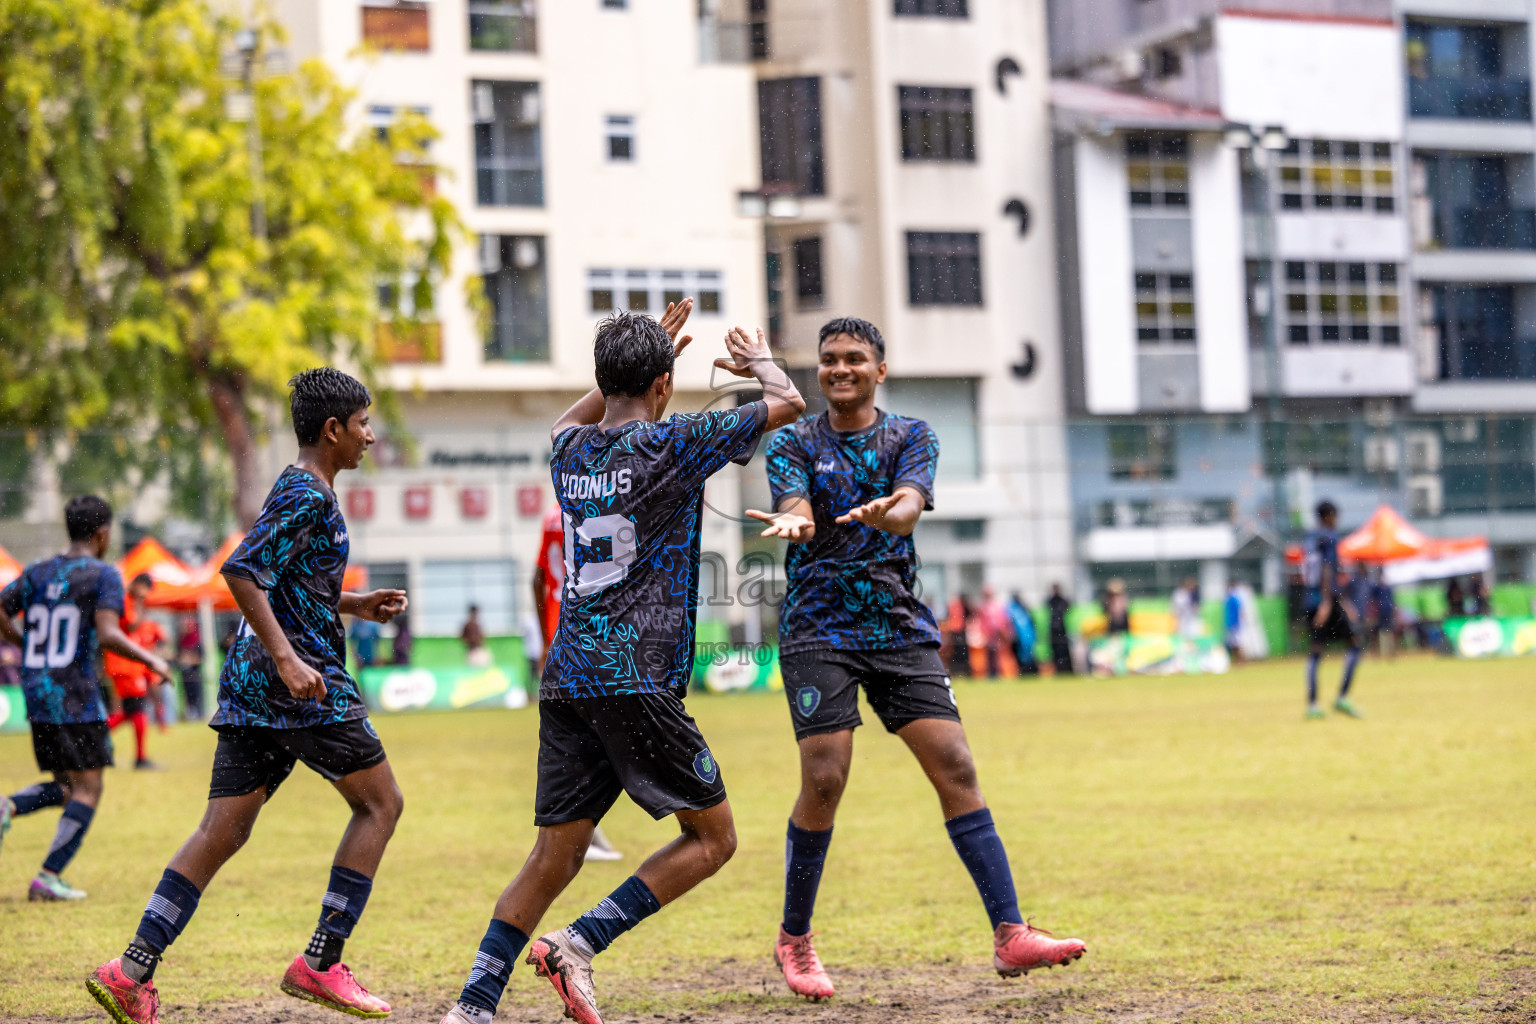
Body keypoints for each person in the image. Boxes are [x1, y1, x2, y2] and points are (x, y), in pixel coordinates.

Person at [437, 301, 803, 1024]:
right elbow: (787, 400)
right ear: (664, 387)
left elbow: (566, 420)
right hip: (636, 678)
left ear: (604, 381)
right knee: (714, 837)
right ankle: (578, 942)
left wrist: (634, 363)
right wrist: (758, 357)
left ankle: (472, 1008)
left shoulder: (570, 451)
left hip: (569, 675)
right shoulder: (678, 444)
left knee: (554, 855)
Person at [748, 316, 1085, 1003]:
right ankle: (795, 938)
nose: (840, 369)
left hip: (898, 627)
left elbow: (908, 506)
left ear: (880, 369)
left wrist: (891, 513)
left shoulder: (912, 435)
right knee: (824, 779)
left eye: (854, 359)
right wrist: (797, 518)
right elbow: (795, 504)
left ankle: (1010, 934)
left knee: (956, 765)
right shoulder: (792, 441)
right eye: (829, 360)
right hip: (819, 630)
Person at [87, 369, 410, 1023]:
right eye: (364, 425)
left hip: (252, 686)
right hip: (297, 683)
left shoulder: (302, 488)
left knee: (221, 831)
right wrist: (291, 661)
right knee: (381, 804)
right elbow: (241, 569)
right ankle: (321, 963)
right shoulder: (309, 493)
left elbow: (286, 581)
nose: (369, 437)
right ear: (333, 430)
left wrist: (353, 604)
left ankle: (131, 970)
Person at [0, 496, 170, 901]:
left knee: (65, 786)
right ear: (102, 533)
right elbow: (110, 634)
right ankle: (48, 877)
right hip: (75, 692)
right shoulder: (102, 575)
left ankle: (8, 806)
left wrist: (26, 645)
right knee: (88, 788)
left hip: (38, 693)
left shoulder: (38, 571)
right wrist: (153, 661)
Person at [529, 510, 623, 862]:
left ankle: (579, 830)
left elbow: (537, 577)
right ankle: (581, 830)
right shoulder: (597, 505)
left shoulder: (553, 517)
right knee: (597, 733)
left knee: (574, 732)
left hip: (559, 632)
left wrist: (543, 640)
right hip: (589, 630)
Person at [1301, 500, 1364, 720]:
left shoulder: (1309, 540)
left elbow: (1308, 573)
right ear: (1328, 516)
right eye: (1335, 516)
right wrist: (1329, 603)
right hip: (1326, 601)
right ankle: (1342, 697)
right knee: (1355, 644)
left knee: (1315, 652)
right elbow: (1328, 570)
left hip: (1310, 599)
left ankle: (1313, 704)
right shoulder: (1329, 538)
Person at [105, 573, 167, 770]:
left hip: (129, 664)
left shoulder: (126, 600)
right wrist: (140, 603)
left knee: (134, 711)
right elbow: (131, 624)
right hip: (124, 665)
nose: (145, 595)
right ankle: (90, 739)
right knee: (135, 709)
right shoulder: (126, 600)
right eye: (144, 590)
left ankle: (140, 756)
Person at [977, 586, 1010, 679]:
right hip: (989, 634)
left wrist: (1003, 632)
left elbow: (1002, 620)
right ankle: (992, 673)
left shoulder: (997, 606)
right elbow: (982, 621)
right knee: (990, 655)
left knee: (998, 654)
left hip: (997, 633)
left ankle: (999, 672)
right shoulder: (983, 606)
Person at [176, 614, 205, 720]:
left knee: (195, 695)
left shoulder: (197, 641)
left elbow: (201, 658)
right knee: (186, 695)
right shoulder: (182, 641)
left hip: (194, 674)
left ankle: (197, 714)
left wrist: (190, 660)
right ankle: (189, 714)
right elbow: (178, 656)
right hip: (185, 674)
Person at [1005, 592, 1038, 676]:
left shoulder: (1021, 608)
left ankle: (1028, 672)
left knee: (1027, 655)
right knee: (1021, 656)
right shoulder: (1015, 608)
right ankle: (1023, 672)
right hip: (1019, 637)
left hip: (1024, 637)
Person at [943, 593, 972, 678]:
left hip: (956, 631)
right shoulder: (960, 605)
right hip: (958, 631)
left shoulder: (953, 605)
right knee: (960, 652)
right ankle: (962, 672)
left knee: (958, 652)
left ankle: (960, 672)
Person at [1047, 584, 1073, 675]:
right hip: (1054, 631)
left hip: (1062, 631)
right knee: (1056, 652)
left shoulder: (1062, 601)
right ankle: (1058, 670)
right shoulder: (1051, 601)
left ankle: (1067, 670)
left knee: (1064, 652)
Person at [1223, 582, 1243, 663]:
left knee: (1237, 643)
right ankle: (1237, 659)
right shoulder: (1229, 598)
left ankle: (1240, 659)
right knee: (1233, 643)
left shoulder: (1233, 598)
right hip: (1231, 623)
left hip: (1234, 624)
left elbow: (1239, 611)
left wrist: (1236, 623)